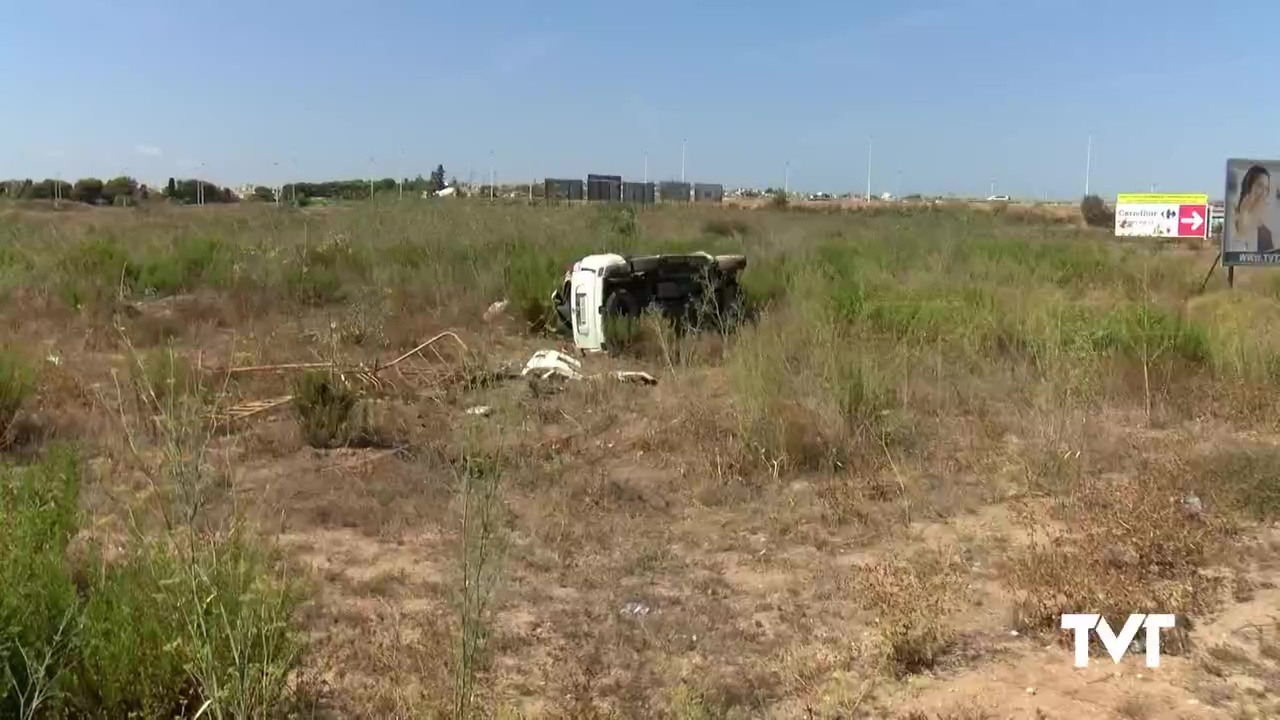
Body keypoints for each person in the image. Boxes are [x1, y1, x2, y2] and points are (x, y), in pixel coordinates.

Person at [1231, 164, 1273, 252]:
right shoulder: (1231, 217)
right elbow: (1233, 255)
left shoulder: (1265, 233)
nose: (1263, 193)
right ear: (1248, 187)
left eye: (1266, 189)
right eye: (1260, 186)